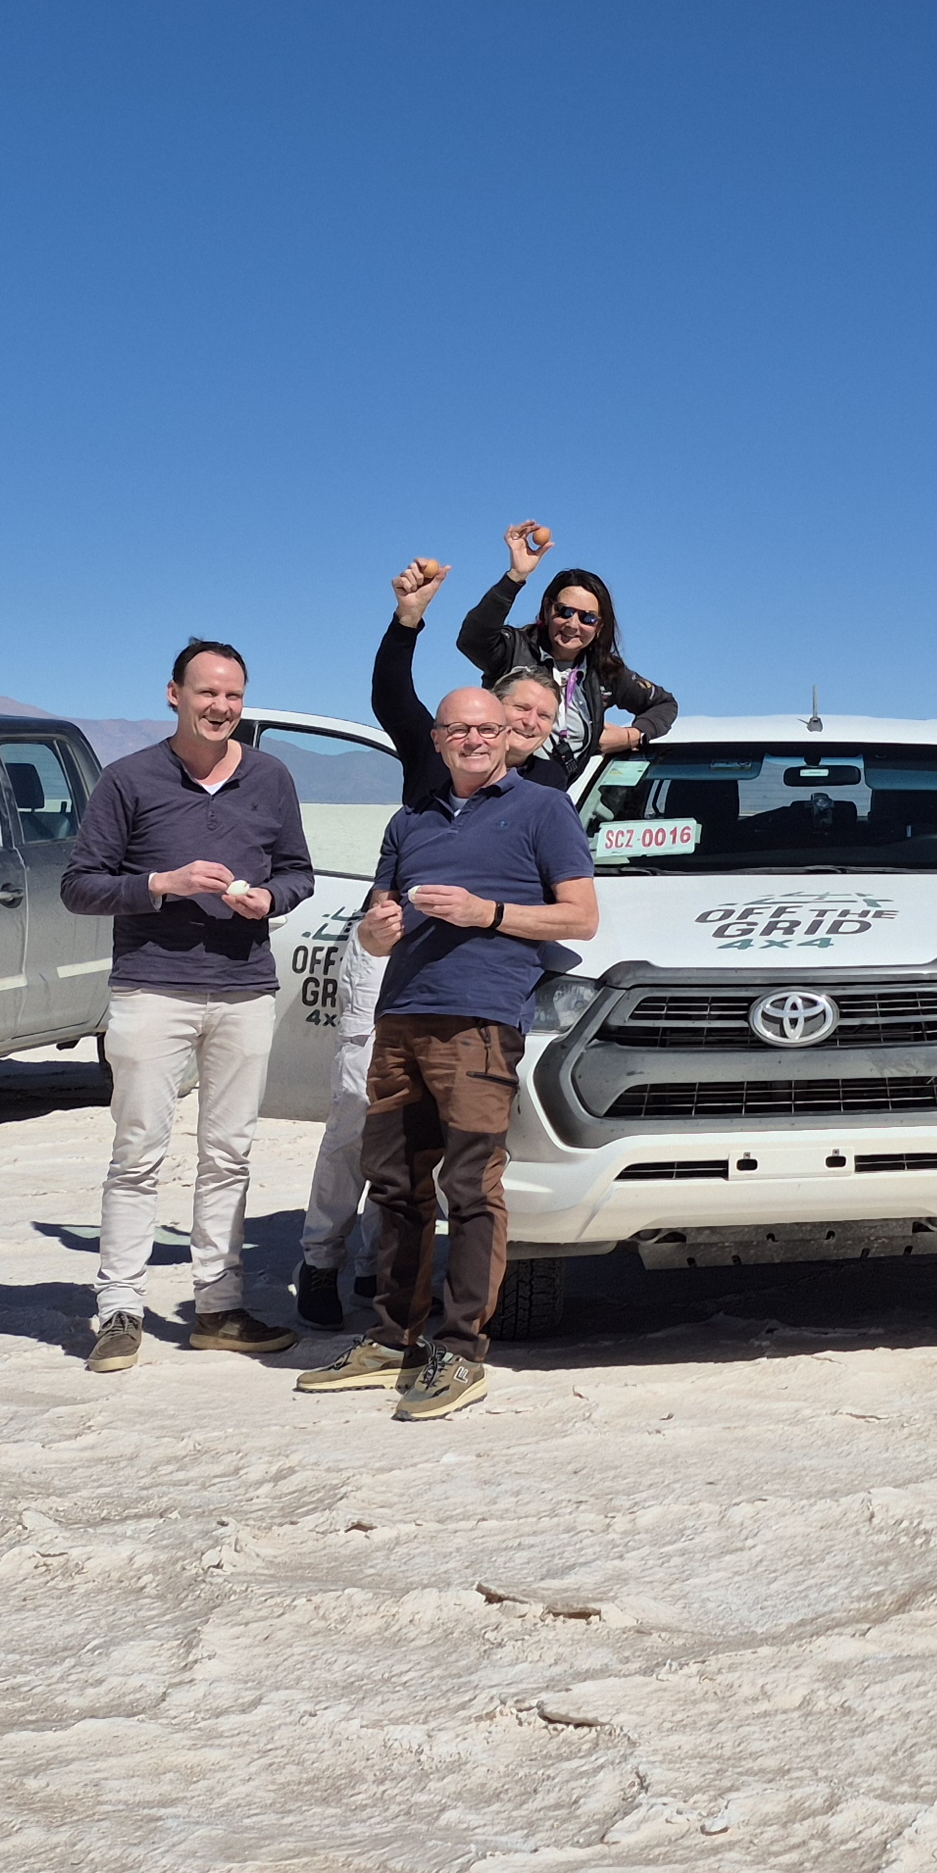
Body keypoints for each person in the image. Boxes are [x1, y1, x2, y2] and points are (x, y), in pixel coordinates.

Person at [292, 687, 598, 1422]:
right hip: (401, 1015)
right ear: (437, 739)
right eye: (458, 729)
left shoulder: (543, 810)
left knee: (470, 1187)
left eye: (487, 728)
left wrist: (487, 912)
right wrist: (374, 932)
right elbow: (373, 924)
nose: (474, 740)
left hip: (480, 1020)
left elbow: (581, 918)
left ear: (508, 735)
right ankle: (392, 1340)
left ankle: (460, 1350)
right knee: (395, 1184)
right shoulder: (409, 820)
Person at [297, 557, 563, 1331]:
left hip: (479, 992)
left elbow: (571, 901)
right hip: (395, 969)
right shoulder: (431, 766)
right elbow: (391, 694)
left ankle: (391, 1288)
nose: (526, 722)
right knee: (361, 1123)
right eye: (518, 708)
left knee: (444, 1163)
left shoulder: (548, 794)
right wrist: (408, 619)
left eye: (541, 716)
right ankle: (326, 1262)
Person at [59, 641, 316, 1371]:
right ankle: (119, 1307)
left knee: (228, 1154)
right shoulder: (129, 779)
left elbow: (298, 872)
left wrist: (271, 898)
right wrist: (161, 884)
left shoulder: (270, 776)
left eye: (232, 695)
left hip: (244, 989)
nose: (220, 707)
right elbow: (79, 886)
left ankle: (218, 1307)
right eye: (206, 693)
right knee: (138, 1150)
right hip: (151, 987)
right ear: (174, 694)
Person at [455, 519, 675, 788]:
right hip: (493, 789)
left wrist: (631, 736)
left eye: (587, 618)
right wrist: (515, 576)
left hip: (554, 796)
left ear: (600, 626)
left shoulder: (604, 672)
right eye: (565, 611)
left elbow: (665, 704)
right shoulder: (514, 650)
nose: (573, 625)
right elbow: (472, 640)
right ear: (548, 609)